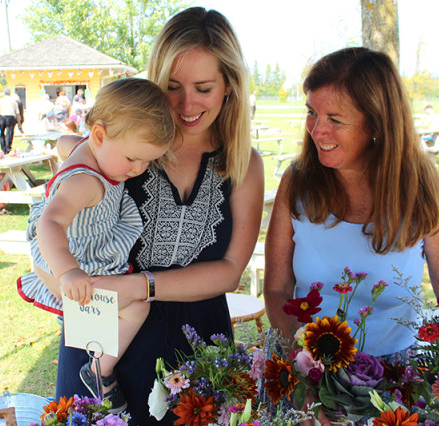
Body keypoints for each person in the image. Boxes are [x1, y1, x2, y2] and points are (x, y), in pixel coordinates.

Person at [51, 7, 264, 425]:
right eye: (172, 87)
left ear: (229, 88)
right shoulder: (121, 148)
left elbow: (229, 271)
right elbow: (63, 185)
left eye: (203, 88)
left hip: (199, 345)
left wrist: (139, 285)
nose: (187, 104)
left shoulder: (244, 163)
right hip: (105, 343)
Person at [262, 47, 439, 423]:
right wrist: (308, 376)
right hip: (306, 370)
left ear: (376, 124)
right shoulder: (296, 182)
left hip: (395, 380)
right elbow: (277, 288)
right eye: (311, 112)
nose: (317, 130)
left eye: (335, 119)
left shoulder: (420, 186)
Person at [16, 78, 175, 413]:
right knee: (137, 305)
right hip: (77, 265)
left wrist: (67, 146)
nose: (138, 169)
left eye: (148, 161)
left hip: (82, 255)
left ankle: (95, 363)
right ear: (100, 135)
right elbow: (50, 222)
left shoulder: (90, 147)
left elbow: (63, 142)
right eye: (133, 158)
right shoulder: (86, 182)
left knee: (110, 315)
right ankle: (99, 371)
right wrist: (68, 272)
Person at [0, 87, 20, 154]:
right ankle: (8, 148)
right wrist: (19, 123)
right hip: (11, 117)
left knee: (1, 133)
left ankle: (3, 149)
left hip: (2, 117)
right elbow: (17, 113)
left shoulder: (0, 100)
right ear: (10, 93)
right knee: (9, 133)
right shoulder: (13, 101)